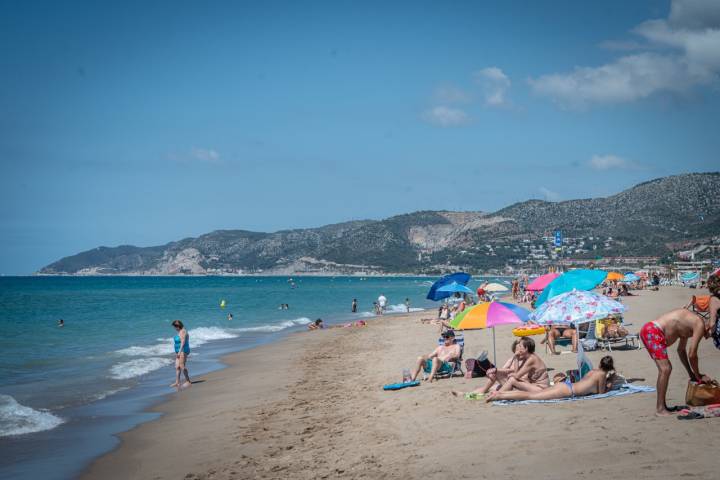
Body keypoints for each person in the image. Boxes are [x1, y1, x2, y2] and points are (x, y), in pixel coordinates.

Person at [640, 308, 713, 416]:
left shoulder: (690, 323)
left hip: (651, 330)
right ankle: (660, 409)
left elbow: (681, 351)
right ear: (710, 326)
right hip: (653, 331)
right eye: (712, 334)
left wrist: (691, 374)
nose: (708, 337)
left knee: (665, 369)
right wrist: (698, 376)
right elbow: (692, 354)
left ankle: (662, 406)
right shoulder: (699, 324)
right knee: (665, 369)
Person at [486, 356, 617, 402]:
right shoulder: (601, 375)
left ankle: (501, 393)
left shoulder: (594, 371)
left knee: (533, 394)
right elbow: (601, 394)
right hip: (567, 392)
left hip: (566, 386)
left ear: (600, 364)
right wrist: (609, 384)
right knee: (531, 396)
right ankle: (499, 396)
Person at [453, 337, 548, 397]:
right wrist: (516, 357)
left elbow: (517, 376)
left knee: (511, 380)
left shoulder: (532, 359)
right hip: (531, 385)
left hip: (540, 389)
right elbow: (516, 371)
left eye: (520, 346)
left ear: (526, 348)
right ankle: (466, 394)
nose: (518, 348)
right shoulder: (526, 358)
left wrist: (504, 372)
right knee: (493, 385)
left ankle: (497, 395)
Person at [171, 320, 191, 390]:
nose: (175, 328)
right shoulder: (180, 331)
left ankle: (188, 381)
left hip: (183, 351)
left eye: (175, 327)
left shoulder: (183, 331)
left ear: (178, 326)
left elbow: (183, 342)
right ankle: (177, 382)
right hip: (179, 351)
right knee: (177, 366)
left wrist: (179, 352)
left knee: (182, 365)